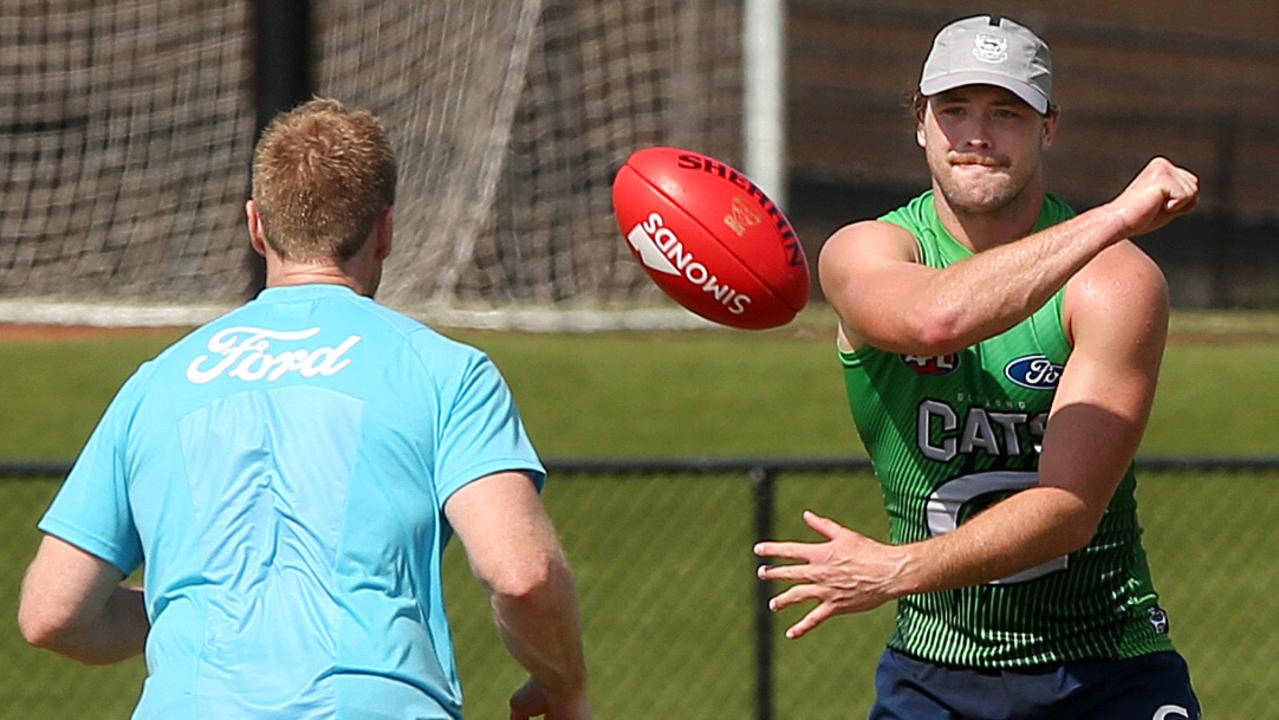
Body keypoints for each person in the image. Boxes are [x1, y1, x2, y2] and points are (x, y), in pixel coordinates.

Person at [18, 98, 590, 720]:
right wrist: (564, 682)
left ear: (256, 225)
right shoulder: (444, 372)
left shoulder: (157, 384)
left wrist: (214, 603)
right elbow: (521, 575)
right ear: (387, 229)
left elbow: (52, 614)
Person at [754, 15, 1202, 720]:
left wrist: (893, 571)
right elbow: (935, 318)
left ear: (1048, 128)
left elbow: (1067, 512)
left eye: (1006, 113)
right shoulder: (866, 250)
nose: (976, 136)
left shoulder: (1114, 282)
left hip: (1106, 672)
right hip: (933, 673)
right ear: (920, 123)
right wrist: (1115, 214)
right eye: (953, 110)